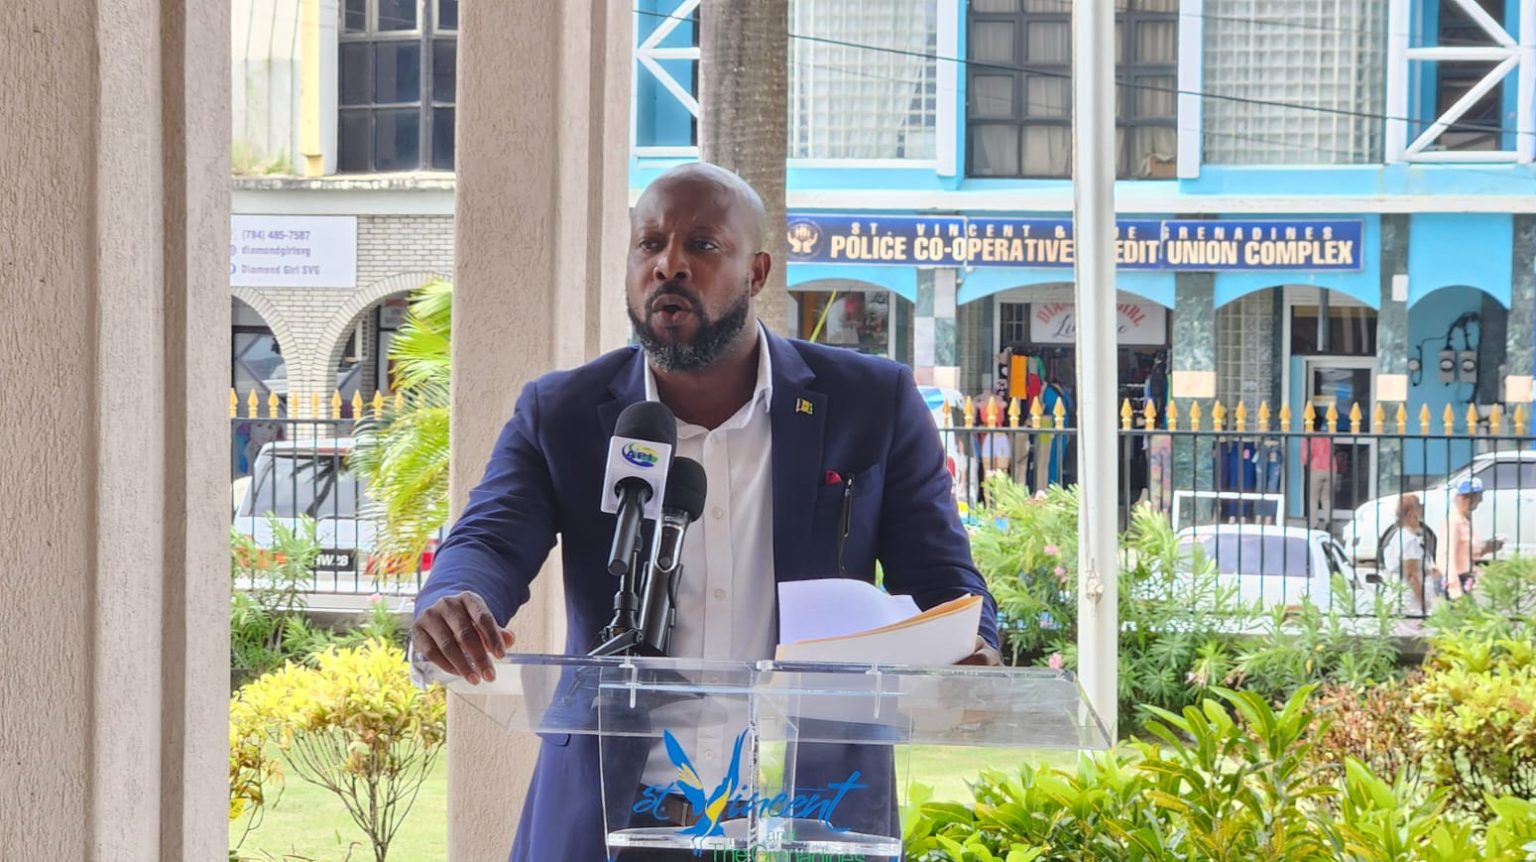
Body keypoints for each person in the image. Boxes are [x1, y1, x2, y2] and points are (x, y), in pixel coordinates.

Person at [408, 162, 1001, 862]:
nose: (669, 264)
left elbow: (943, 580)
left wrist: (973, 646)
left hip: (806, 816)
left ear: (757, 272)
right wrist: (455, 596)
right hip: (612, 820)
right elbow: (490, 538)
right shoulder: (563, 412)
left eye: (703, 244)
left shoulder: (871, 404)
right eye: (649, 244)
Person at [1439, 477, 1504, 600]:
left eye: (1475, 497)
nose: (1472, 501)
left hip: (1466, 580)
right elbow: (1446, 557)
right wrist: (1454, 589)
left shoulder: (1465, 521)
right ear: (1457, 497)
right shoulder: (1454, 522)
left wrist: (1487, 547)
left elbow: (1466, 553)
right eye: (1466, 497)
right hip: (1456, 583)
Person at [1377, 494, 1438, 618]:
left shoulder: (1398, 536)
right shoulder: (1409, 540)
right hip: (1410, 603)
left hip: (1400, 598)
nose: (1420, 513)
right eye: (1418, 508)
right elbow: (1411, 575)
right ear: (1411, 513)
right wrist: (1423, 605)